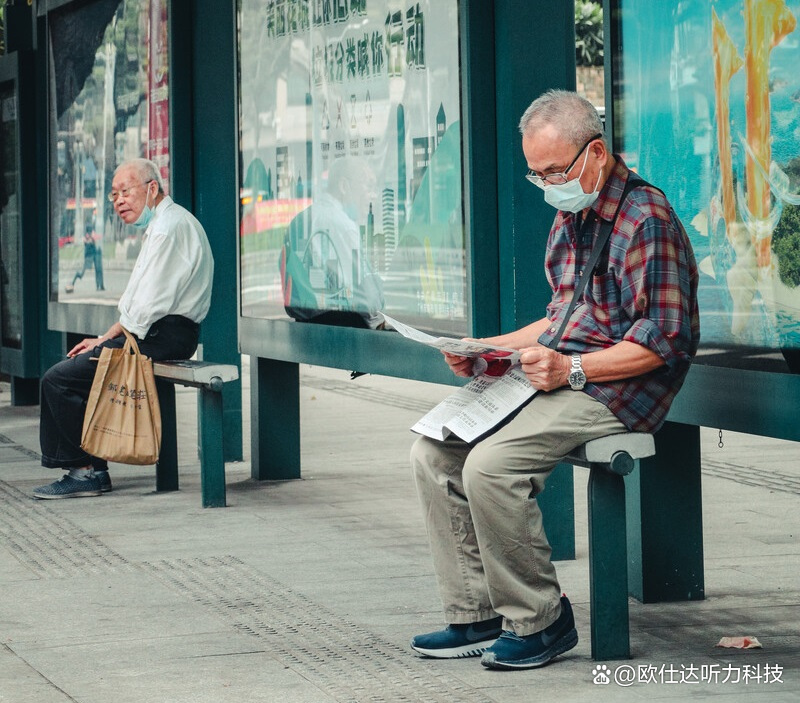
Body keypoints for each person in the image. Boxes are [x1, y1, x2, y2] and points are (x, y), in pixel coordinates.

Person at [409, 90, 700, 670]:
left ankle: (541, 620)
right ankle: (475, 613)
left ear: (596, 154)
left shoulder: (647, 219)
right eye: (536, 174)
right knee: (434, 452)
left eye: (554, 172)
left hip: (618, 389)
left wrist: (572, 368)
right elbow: (560, 318)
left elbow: (665, 340)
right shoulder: (573, 214)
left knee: (491, 466)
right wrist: (488, 350)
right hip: (563, 374)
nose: (546, 185)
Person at [33, 158, 214, 499]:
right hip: (157, 333)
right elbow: (140, 303)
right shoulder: (165, 224)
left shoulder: (169, 228)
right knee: (78, 370)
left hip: (161, 336)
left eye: (125, 192)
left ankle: (84, 473)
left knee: (58, 380)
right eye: (113, 195)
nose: (118, 201)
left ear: (152, 188)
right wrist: (105, 339)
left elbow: (149, 304)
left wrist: (107, 342)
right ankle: (95, 470)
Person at [281, 157, 383, 329]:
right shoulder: (342, 224)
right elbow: (365, 298)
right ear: (344, 186)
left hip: (303, 328)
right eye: (367, 186)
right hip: (344, 328)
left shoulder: (300, 219)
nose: (372, 196)